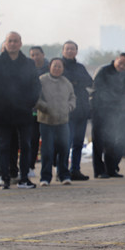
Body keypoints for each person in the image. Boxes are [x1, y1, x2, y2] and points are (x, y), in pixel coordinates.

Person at [0, 31, 41, 189]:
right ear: (6, 43)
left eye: (16, 41)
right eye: (10, 41)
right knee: (4, 146)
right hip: (3, 111)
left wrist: (30, 103)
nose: (13, 44)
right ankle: (5, 179)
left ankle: (24, 179)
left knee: (26, 146)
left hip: (24, 111)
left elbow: (36, 86)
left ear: (21, 44)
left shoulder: (28, 63)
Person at [91, 53, 125, 178]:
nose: (122, 66)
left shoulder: (124, 76)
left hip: (116, 113)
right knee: (98, 142)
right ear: (116, 59)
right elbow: (98, 89)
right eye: (121, 63)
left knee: (112, 142)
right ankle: (98, 171)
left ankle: (111, 169)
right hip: (100, 111)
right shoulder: (103, 71)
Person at [36, 58, 76, 186]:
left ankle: (64, 175)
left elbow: (72, 97)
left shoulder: (66, 82)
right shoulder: (42, 80)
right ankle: (45, 177)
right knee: (47, 150)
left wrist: (70, 107)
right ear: (50, 67)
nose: (57, 69)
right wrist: (46, 108)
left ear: (63, 69)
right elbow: (36, 97)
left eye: (60, 67)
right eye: (55, 66)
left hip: (63, 121)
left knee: (64, 148)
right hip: (46, 121)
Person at [61, 40, 93, 181]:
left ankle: (75, 169)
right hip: (66, 111)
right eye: (67, 49)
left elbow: (89, 81)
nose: (69, 51)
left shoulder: (80, 67)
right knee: (66, 143)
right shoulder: (59, 66)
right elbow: (64, 82)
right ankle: (62, 170)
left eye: (72, 49)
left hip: (82, 110)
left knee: (78, 143)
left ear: (76, 51)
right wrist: (76, 82)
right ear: (63, 51)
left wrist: (76, 82)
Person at [29, 46, 50, 177]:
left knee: (49, 140)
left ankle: (51, 167)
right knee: (33, 139)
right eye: (32, 55)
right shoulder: (28, 70)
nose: (35, 57)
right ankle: (30, 166)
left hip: (49, 110)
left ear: (43, 54)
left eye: (37, 54)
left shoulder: (51, 68)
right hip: (33, 110)